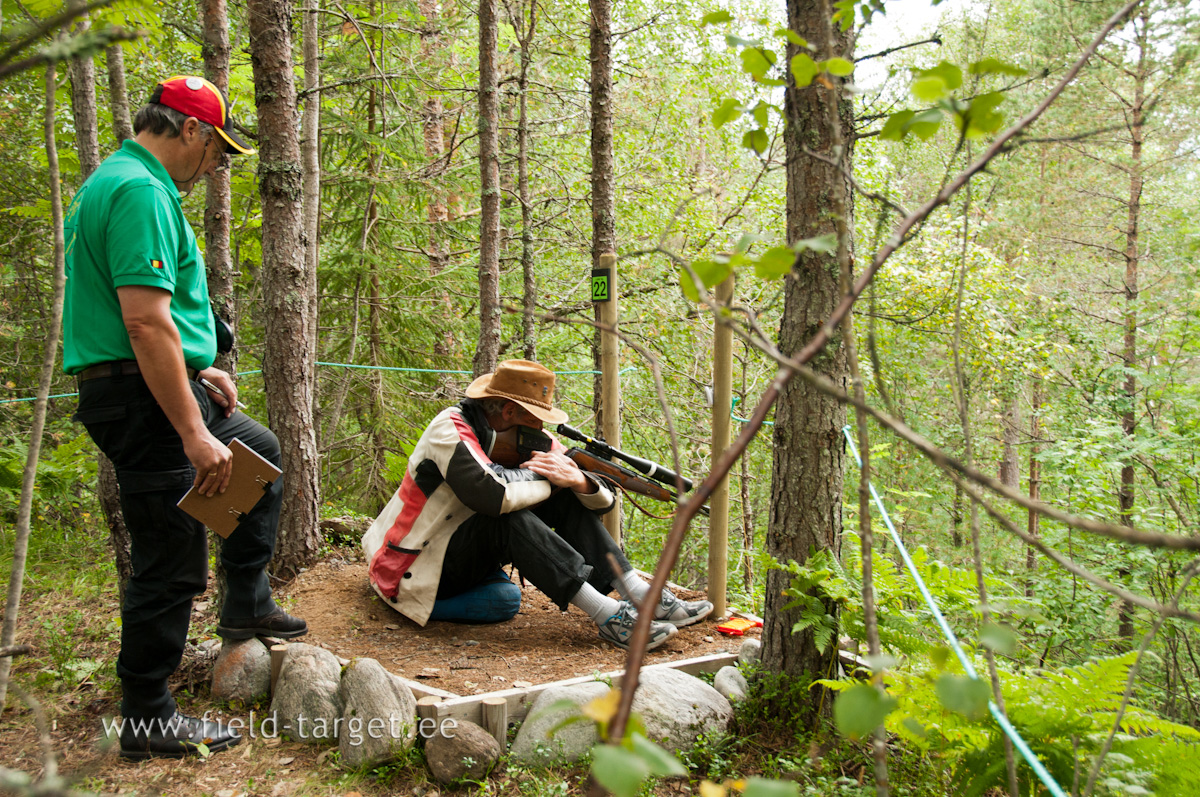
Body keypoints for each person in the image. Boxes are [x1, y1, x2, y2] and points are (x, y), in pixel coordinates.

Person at [63, 76, 307, 759]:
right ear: (191, 130)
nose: (215, 167)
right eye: (217, 152)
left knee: (257, 457)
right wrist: (192, 430)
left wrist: (197, 366)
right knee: (171, 557)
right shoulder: (139, 190)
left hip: (149, 385)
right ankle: (146, 712)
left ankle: (246, 602)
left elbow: (139, 316)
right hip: (141, 401)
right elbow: (142, 322)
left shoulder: (118, 181)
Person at [361, 359, 713, 650]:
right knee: (507, 517)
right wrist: (552, 480)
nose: (542, 431)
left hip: (455, 551)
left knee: (562, 499)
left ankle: (638, 593)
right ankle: (608, 616)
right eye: (534, 419)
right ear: (510, 410)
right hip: (411, 566)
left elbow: (602, 502)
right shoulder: (449, 429)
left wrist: (577, 480)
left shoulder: (521, 436)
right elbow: (493, 496)